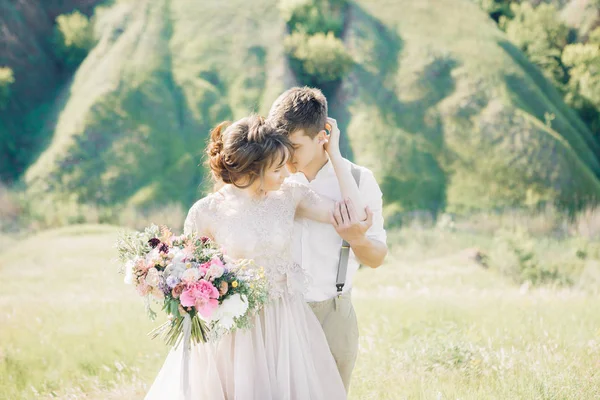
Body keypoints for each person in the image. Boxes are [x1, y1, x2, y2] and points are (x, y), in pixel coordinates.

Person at [144, 114, 365, 400]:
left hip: (285, 322)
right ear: (253, 169)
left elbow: (354, 216)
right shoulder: (206, 211)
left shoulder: (291, 195)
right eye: (276, 169)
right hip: (235, 330)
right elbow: (190, 273)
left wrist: (334, 153)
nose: (286, 174)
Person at [268, 87, 388, 392]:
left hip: (334, 313)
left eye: (294, 146)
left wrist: (357, 239)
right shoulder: (272, 179)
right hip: (279, 312)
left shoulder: (360, 180)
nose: (286, 156)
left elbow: (376, 257)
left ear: (322, 135)